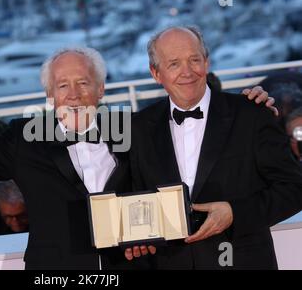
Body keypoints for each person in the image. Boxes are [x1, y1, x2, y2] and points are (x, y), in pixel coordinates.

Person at [0, 46, 274, 270]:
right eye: (62, 85)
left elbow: (197, 129)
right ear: (50, 95)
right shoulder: (24, 139)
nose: (73, 94)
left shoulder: (137, 129)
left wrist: (253, 102)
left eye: (83, 83)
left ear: (100, 91)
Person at [126, 26, 302, 269]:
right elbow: (132, 196)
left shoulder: (252, 113)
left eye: (194, 60)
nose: (187, 72)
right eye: (174, 64)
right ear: (156, 73)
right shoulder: (138, 127)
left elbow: (294, 188)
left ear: (206, 63)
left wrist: (234, 213)